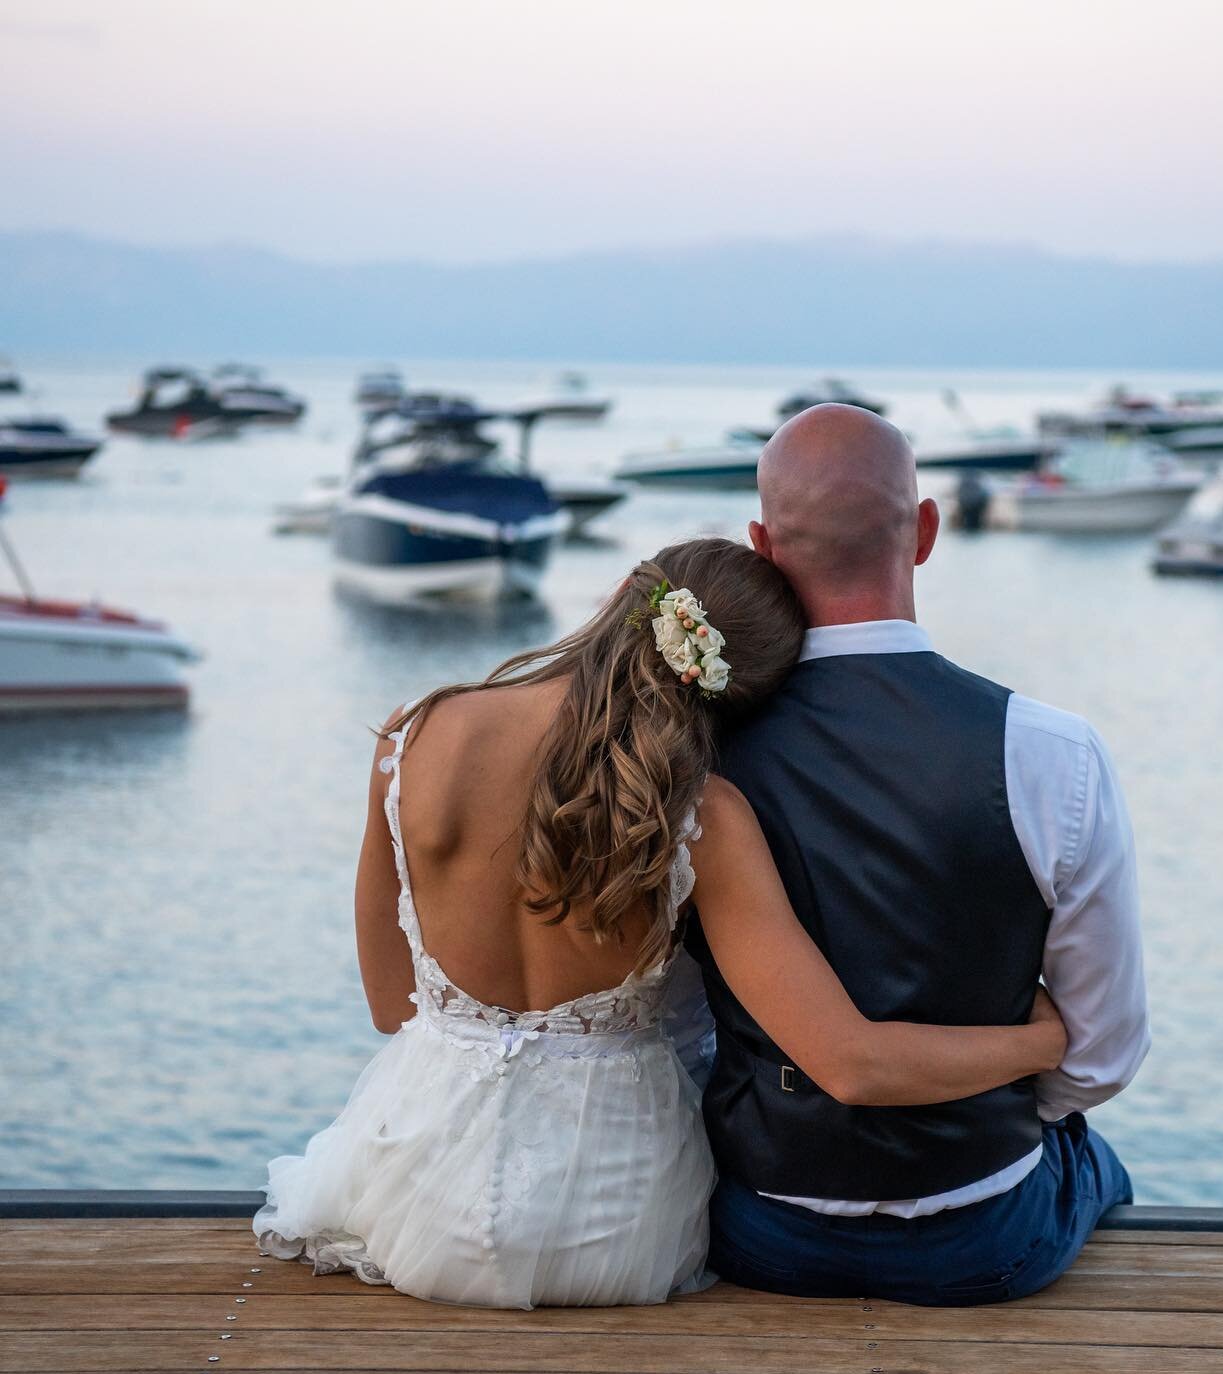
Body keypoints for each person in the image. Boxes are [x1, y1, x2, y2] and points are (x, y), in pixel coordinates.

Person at [254, 537, 1070, 1309]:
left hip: (416, 1208)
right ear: (734, 695)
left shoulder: (416, 736)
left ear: (621, 596)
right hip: (613, 1231)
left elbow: (390, 1005)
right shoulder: (698, 816)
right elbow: (850, 1065)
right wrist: (1041, 1042)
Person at [690, 404, 1149, 1307]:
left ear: (763, 544)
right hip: (981, 1236)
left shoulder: (696, 753)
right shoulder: (1050, 749)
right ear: (926, 531)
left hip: (758, 1226)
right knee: (1100, 1165)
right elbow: (1103, 1057)